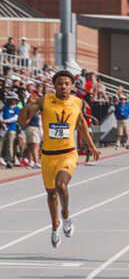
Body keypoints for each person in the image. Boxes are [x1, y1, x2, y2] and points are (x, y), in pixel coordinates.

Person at [18, 70, 100, 247]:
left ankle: (66, 215)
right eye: (60, 83)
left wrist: (91, 146)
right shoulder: (44, 101)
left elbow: (82, 123)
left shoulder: (78, 102)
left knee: (61, 185)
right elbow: (22, 121)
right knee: (51, 193)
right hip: (48, 156)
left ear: (71, 86)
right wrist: (26, 105)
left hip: (68, 153)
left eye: (67, 83)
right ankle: (55, 225)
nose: (63, 86)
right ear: (54, 85)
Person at [1, 93, 21, 168]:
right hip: (3, 128)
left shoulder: (17, 108)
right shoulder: (5, 107)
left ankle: (9, 161)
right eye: (11, 99)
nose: (13, 100)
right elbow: (1, 114)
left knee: (10, 145)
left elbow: (15, 118)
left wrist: (5, 121)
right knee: (0, 144)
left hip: (12, 128)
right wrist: (2, 122)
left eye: (14, 99)